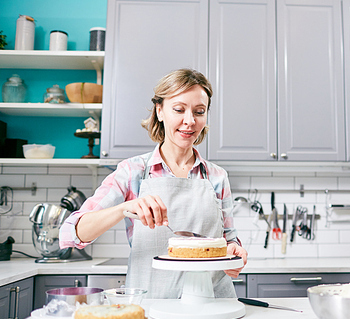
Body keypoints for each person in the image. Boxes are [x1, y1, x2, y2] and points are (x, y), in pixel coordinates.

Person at [59, 68, 247, 298]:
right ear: (159, 111)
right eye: (179, 109)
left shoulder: (217, 176)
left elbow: (229, 241)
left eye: (199, 111)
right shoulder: (132, 172)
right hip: (152, 304)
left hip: (213, 304)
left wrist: (235, 254)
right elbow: (73, 232)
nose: (189, 121)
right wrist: (124, 208)